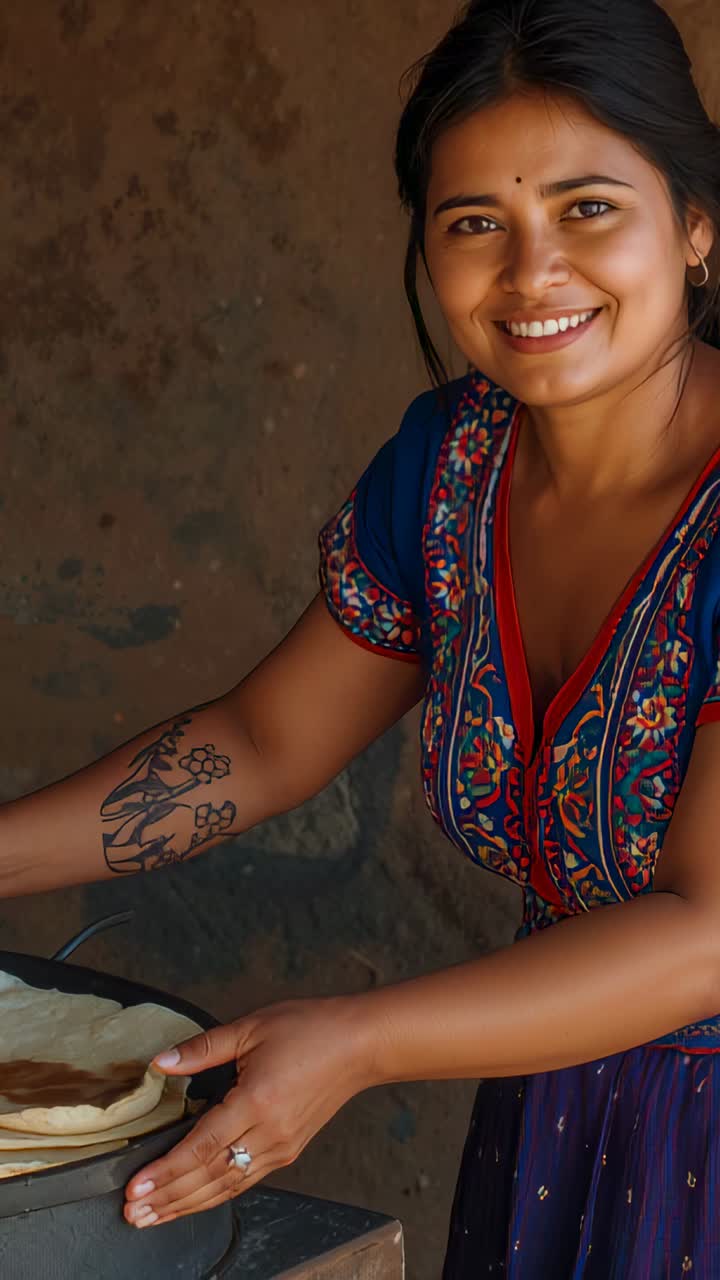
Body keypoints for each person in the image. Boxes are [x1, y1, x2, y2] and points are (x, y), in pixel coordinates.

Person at [3, 0, 720, 1271]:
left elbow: (706, 927)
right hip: (557, 1107)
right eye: (474, 224)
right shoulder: (449, 467)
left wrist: (359, 1038)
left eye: (589, 207)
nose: (531, 271)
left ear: (699, 225)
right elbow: (261, 741)